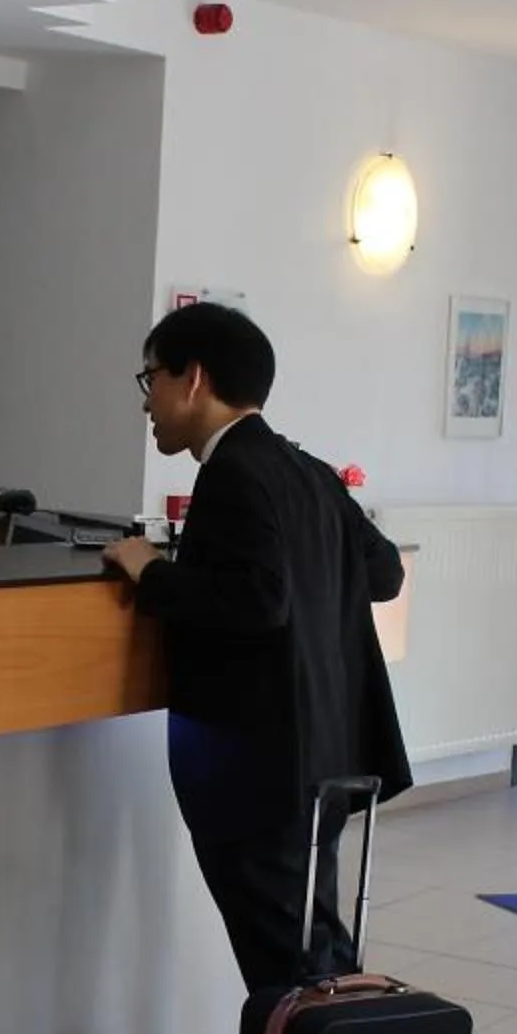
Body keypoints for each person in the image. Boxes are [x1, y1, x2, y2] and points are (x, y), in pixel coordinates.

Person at [105, 303, 410, 992]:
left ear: (194, 380)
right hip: (326, 757)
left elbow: (254, 602)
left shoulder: (234, 474)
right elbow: (384, 573)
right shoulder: (307, 471)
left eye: (150, 377)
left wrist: (149, 569)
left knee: (291, 976)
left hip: (263, 774)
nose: (146, 399)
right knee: (315, 958)